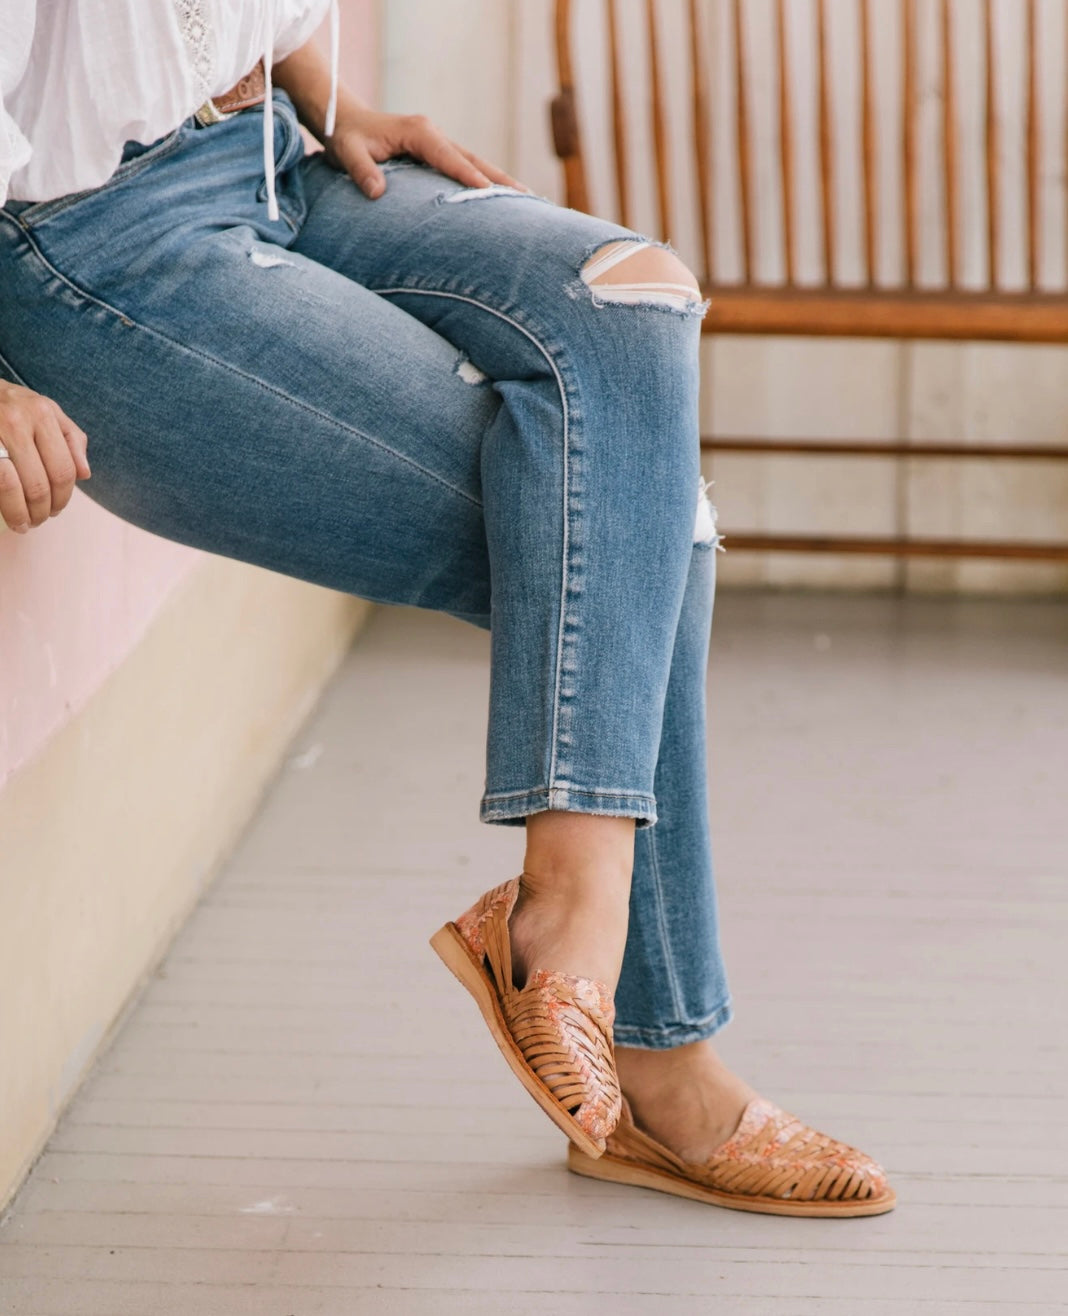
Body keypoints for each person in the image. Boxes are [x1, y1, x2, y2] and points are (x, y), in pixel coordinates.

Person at [0, 1, 895, 1216]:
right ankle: (648, 1045)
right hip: (89, 244)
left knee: (634, 295)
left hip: (270, 154)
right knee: (631, 519)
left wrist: (324, 93)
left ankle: (574, 942)